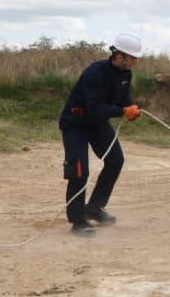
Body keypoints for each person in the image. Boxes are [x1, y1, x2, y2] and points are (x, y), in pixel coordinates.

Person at [58, 33, 143, 236]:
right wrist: (122, 111)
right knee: (79, 170)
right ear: (120, 55)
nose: (135, 61)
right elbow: (95, 107)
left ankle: (94, 208)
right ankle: (78, 220)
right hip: (75, 124)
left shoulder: (126, 75)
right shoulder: (95, 73)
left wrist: (131, 108)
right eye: (132, 57)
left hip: (97, 124)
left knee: (116, 160)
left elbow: (123, 99)